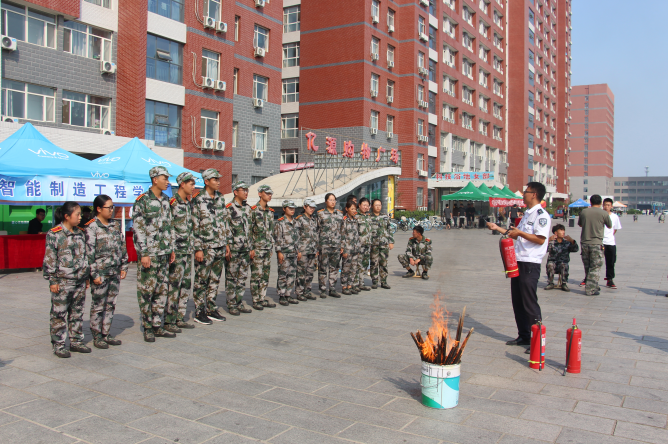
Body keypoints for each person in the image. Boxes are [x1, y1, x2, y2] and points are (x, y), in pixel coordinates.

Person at [486, 182, 550, 349]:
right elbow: (518, 236)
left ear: (534, 194)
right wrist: (497, 228)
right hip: (518, 261)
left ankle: (537, 341)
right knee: (518, 301)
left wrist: (520, 232)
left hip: (530, 263)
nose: (524, 194)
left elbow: (540, 239)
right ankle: (524, 336)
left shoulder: (541, 215)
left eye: (526, 191)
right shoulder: (527, 214)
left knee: (529, 303)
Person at [132, 166, 177, 342]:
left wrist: (171, 247)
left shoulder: (166, 200)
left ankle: (158, 325)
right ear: (154, 179)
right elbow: (138, 229)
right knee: (146, 291)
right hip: (149, 254)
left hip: (164, 253)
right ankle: (148, 326)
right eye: (164, 178)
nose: (167, 181)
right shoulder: (142, 201)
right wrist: (143, 253)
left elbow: (169, 226)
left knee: (162, 290)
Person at [43, 201, 91, 358]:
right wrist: (53, 281)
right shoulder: (55, 234)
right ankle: (58, 344)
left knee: (77, 312)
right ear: (66, 216)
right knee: (59, 314)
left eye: (80, 214)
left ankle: (76, 341)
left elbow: (85, 256)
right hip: (63, 281)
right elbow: (50, 259)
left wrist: (86, 276)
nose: (80, 217)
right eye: (77, 214)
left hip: (79, 281)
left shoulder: (80, 233)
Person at [85, 195, 128, 349]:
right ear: (98, 209)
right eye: (108, 207)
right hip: (100, 274)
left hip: (114, 272)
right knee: (98, 305)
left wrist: (124, 266)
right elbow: (89, 254)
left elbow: (122, 246)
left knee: (110, 304)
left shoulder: (115, 225)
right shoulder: (91, 227)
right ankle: (97, 336)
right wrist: (94, 275)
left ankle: (106, 333)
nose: (111, 210)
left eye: (112, 207)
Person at [191, 168, 229, 325]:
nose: (218, 182)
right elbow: (194, 225)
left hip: (219, 245)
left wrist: (226, 243)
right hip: (206, 247)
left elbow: (224, 222)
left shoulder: (220, 198)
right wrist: (198, 248)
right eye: (215, 179)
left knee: (215, 278)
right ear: (206, 181)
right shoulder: (198, 200)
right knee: (201, 279)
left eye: (219, 179)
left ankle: (211, 308)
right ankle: (199, 310)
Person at [165, 172, 196, 332]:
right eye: (191, 183)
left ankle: (180, 317)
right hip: (176, 252)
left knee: (185, 285)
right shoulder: (172, 203)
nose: (193, 186)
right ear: (182, 184)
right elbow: (168, 227)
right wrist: (171, 249)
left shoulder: (188, 204)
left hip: (187, 251)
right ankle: (169, 320)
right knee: (174, 286)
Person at [225, 181, 254, 316]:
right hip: (234, 249)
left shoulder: (248, 208)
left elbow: (251, 230)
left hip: (246, 249)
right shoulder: (229, 208)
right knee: (232, 277)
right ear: (236, 192)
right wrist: (227, 246)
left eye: (247, 190)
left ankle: (239, 301)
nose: (246, 192)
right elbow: (226, 229)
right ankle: (231, 304)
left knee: (242, 277)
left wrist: (251, 247)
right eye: (243, 190)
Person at [578, 194, 612, 296]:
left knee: (587, 266)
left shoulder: (584, 212)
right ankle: (590, 289)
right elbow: (609, 225)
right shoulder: (604, 213)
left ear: (590, 202)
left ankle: (594, 285)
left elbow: (580, 224)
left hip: (584, 242)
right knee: (595, 267)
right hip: (596, 243)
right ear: (601, 203)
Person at [250, 185, 277, 310]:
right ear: (260, 194)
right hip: (257, 248)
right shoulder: (254, 210)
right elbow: (249, 231)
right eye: (267, 193)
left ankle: (262, 297)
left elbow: (271, 231)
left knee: (265, 274)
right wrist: (251, 248)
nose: (269, 195)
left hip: (267, 248)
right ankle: (256, 299)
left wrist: (271, 246)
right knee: (257, 274)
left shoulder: (270, 212)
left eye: (270, 193)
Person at [316, 193, 344, 298]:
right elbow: (317, 230)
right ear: (326, 201)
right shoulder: (320, 214)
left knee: (334, 268)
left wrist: (342, 245)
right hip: (324, 245)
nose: (332, 202)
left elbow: (342, 231)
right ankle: (323, 289)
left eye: (334, 200)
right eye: (330, 200)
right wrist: (317, 246)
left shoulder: (340, 214)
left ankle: (332, 288)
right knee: (323, 267)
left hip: (336, 245)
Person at [274, 200, 301, 305]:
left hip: (293, 252)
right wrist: (279, 252)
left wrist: (298, 251)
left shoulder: (295, 222)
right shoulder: (280, 222)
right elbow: (278, 238)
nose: (292, 210)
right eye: (290, 208)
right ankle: (281, 295)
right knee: (282, 274)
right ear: (284, 209)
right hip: (284, 253)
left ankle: (288, 294)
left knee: (292, 274)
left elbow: (297, 238)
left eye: (293, 208)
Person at [295, 198, 319, 300]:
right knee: (301, 273)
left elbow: (316, 235)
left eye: (313, 207)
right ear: (304, 207)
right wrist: (298, 251)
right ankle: (299, 292)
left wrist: (317, 249)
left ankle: (307, 291)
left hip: (312, 250)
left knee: (310, 272)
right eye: (310, 207)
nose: (312, 209)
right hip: (303, 250)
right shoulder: (299, 219)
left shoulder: (314, 220)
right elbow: (296, 236)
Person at [544, 224, 578, 292]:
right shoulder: (552, 243)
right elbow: (543, 249)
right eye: (561, 230)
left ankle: (564, 284)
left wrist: (572, 241)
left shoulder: (567, 243)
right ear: (556, 233)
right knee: (550, 264)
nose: (563, 232)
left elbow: (575, 249)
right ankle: (550, 283)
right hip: (553, 263)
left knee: (564, 264)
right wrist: (548, 240)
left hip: (562, 264)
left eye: (563, 230)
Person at [369, 198, 394, 289]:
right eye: (376, 205)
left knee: (384, 263)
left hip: (384, 244)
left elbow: (389, 229)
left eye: (379, 205)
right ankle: (374, 281)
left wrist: (391, 241)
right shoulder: (369, 217)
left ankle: (384, 281)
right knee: (374, 263)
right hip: (374, 244)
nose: (378, 207)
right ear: (372, 206)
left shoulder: (385, 217)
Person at [341, 201, 360, 295]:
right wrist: (343, 249)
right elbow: (342, 235)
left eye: (355, 209)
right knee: (346, 268)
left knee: (353, 268)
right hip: (347, 248)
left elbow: (357, 235)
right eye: (352, 209)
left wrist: (358, 248)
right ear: (346, 209)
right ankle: (344, 286)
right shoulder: (344, 220)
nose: (354, 211)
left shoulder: (355, 220)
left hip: (355, 249)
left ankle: (350, 285)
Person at [602, 198, 621, 290]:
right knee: (593, 262)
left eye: (608, 205)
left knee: (611, 262)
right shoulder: (599, 215)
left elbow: (615, 229)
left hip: (610, 242)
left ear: (611, 206)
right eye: (605, 205)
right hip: (599, 242)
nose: (606, 207)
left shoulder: (615, 217)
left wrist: (609, 236)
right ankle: (588, 279)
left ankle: (609, 279)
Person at [356, 197, 372, 291]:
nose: (365, 207)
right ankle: (355, 283)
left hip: (367, 245)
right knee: (358, 264)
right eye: (364, 205)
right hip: (359, 245)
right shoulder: (355, 216)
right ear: (359, 205)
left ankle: (361, 283)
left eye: (367, 205)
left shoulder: (368, 217)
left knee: (364, 264)